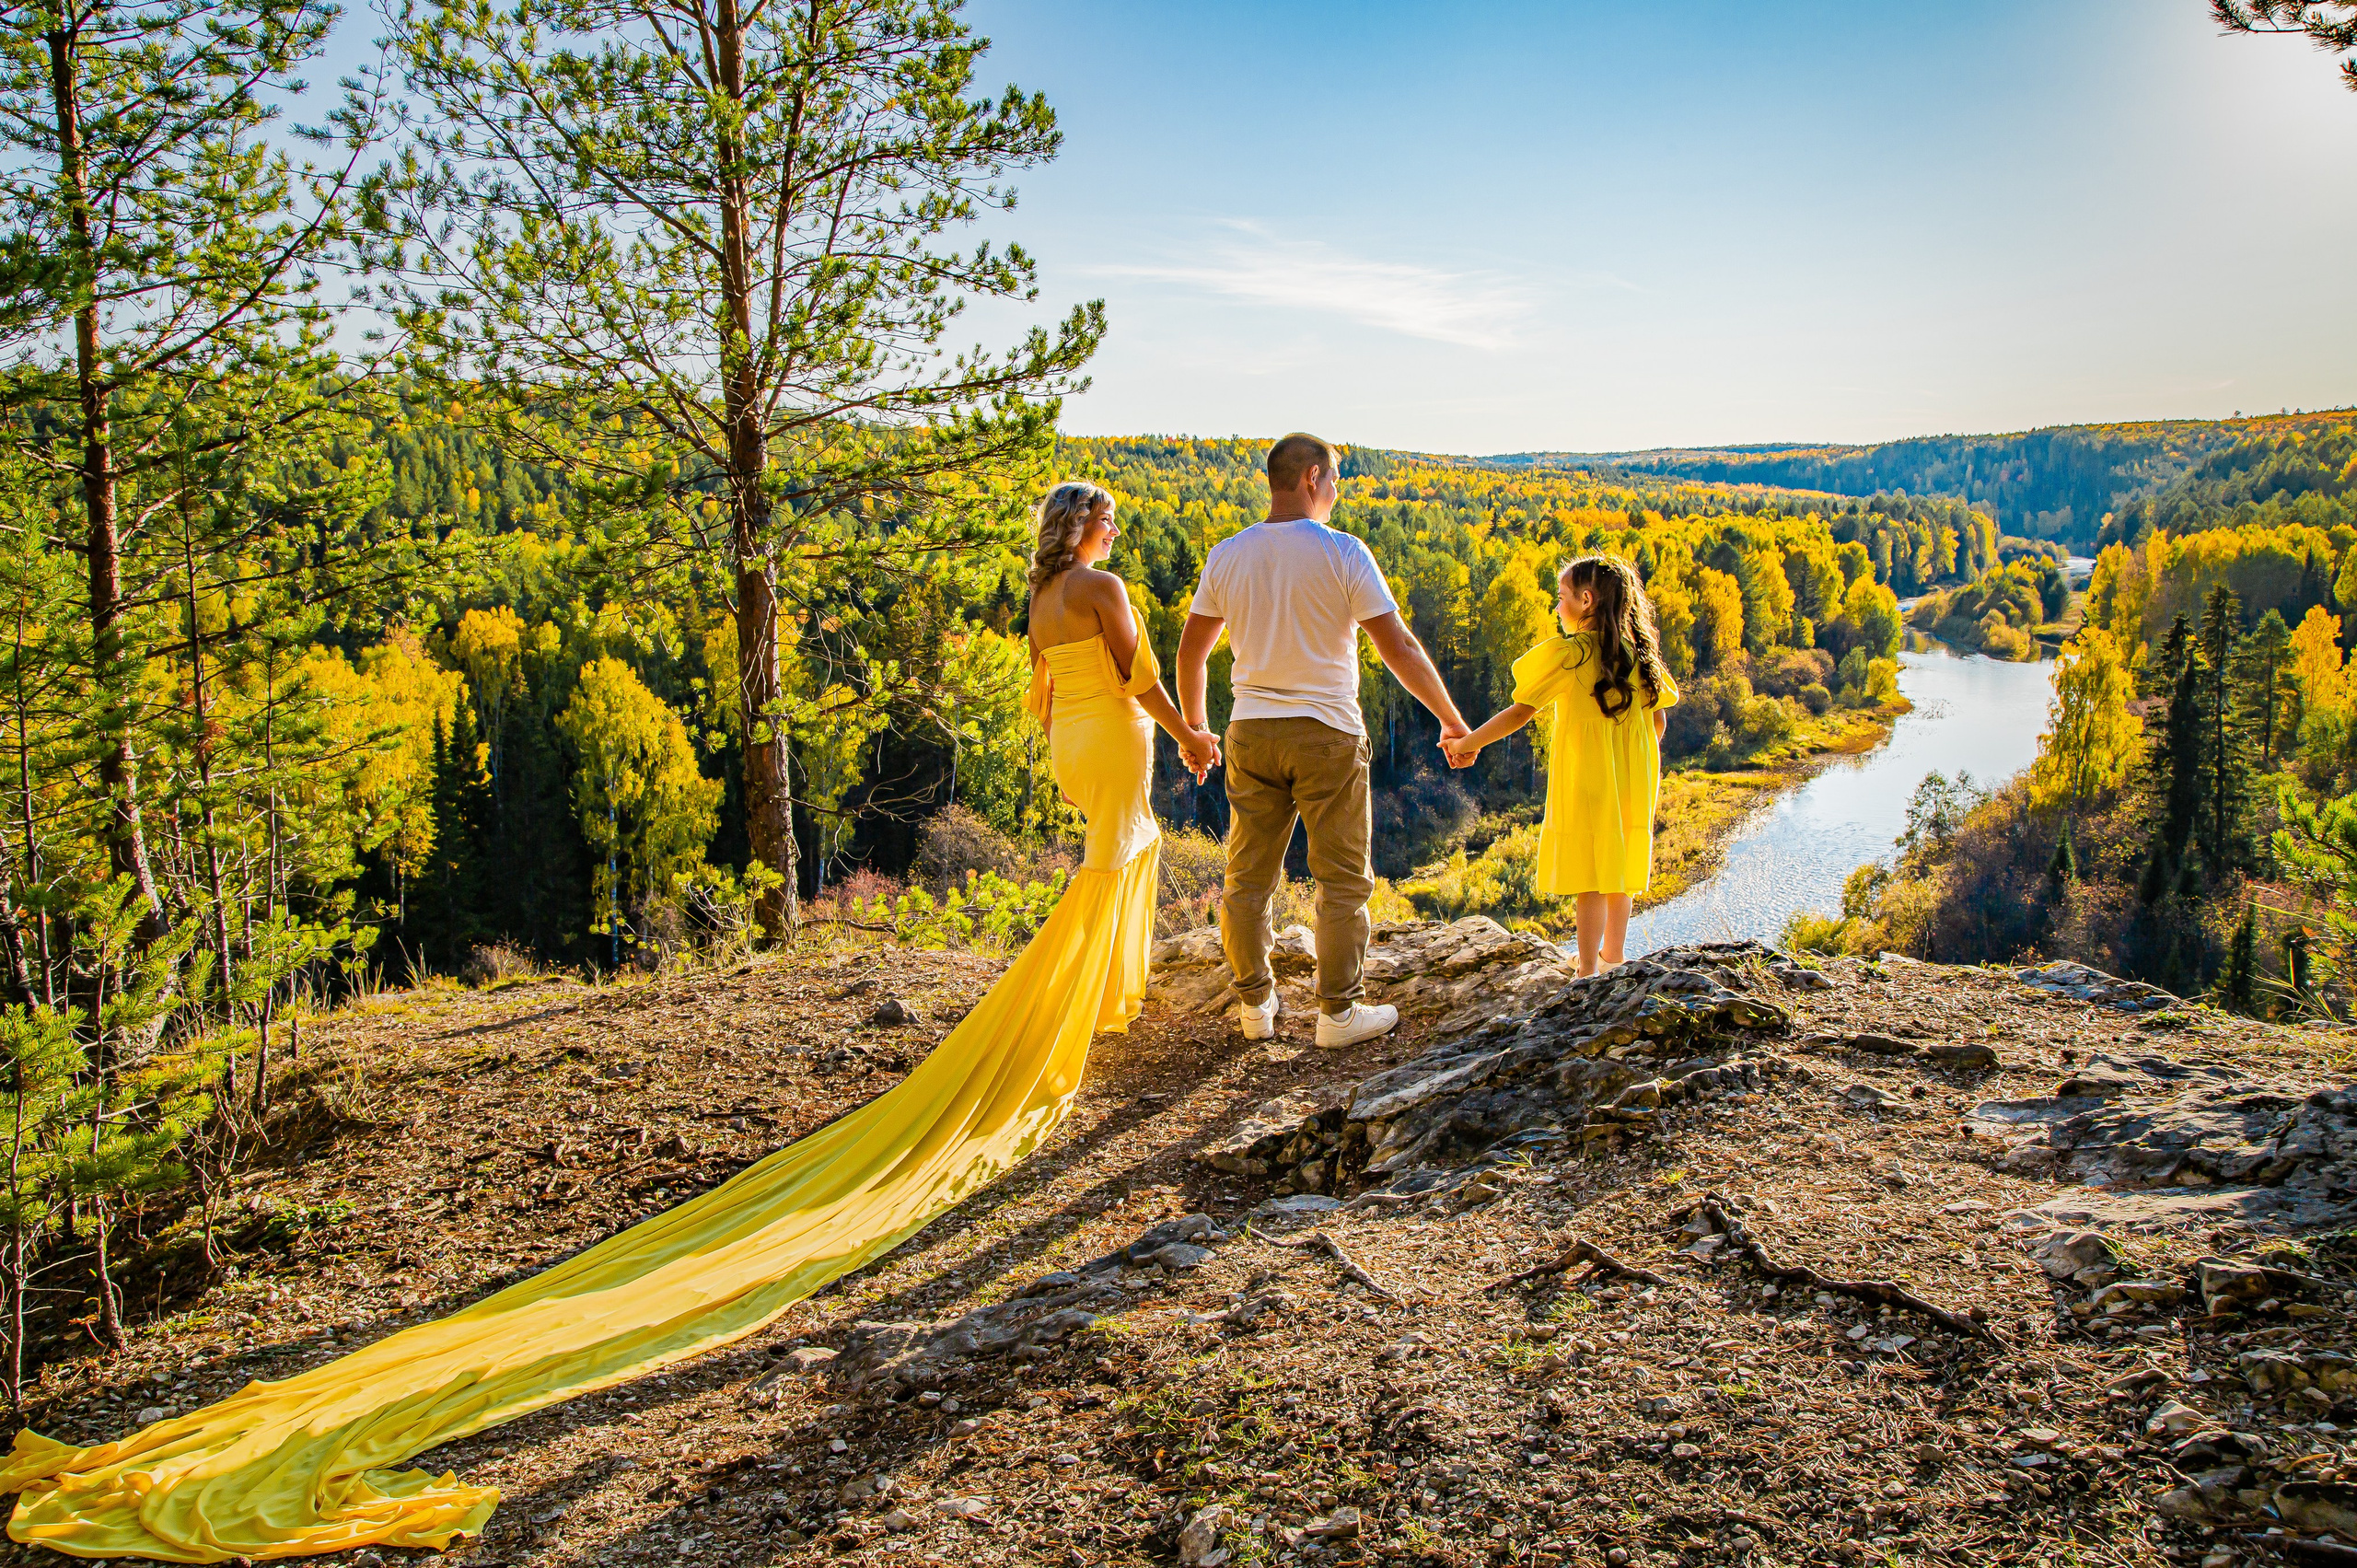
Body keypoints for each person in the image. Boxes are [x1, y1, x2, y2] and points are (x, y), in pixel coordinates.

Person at [0, 484, 1215, 1563]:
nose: (1110, 536)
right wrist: (1189, 728)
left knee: (1114, 857)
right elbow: (1137, 675)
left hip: (1069, 739)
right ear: (1095, 528)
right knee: (1124, 854)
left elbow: (1045, 687)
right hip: (1112, 735)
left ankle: (1103, 992)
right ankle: (1074, 1009)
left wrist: (1099, 727)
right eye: (1108, 521)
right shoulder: (1103, 586)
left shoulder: (1039, 593)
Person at [1177, 433, 1469, 1048]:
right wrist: (1449, 718)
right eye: (1334, 479)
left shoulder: (1228, 554)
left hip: (1252, 731)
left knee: (1248, 876)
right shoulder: (1344, 552)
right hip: (1328, 734)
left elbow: (1192, 651)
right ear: (1312, 478)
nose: (1336, 491)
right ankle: (1337, 1013)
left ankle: (1256, 1004)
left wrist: (1197, 727)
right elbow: (1400, 648)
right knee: (1340, 879)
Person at [1444, 554, 1677, 977]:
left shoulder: (1571, 655)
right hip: (1634, 780)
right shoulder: (1640, 652)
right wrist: (1629, 758)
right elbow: (1658, 721)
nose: (1556, 606)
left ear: (1586, 600)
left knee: (1588, 873)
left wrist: (1466, 742)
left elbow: (1520, 712)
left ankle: (1586, 971)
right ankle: (1613, 958)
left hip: (1587, 777)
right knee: (1618, 866)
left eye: (1561, 596)